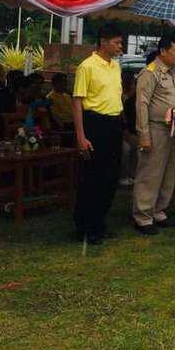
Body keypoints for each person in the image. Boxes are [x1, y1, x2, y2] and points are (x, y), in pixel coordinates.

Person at [72, 24, 124, 245]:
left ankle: (99, 223)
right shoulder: (87, 66)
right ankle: (85, 227)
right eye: (117, 42)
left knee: (110, 177)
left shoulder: (116, 66)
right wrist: (81, 136)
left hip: (114, 123)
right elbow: (77, 102)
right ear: (103, 42)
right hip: (95, 123)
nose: (120, 46)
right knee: (92, 177)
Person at [133, 34, 175, 234]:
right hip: (156, 129)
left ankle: (158, 211)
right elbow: (141, 105)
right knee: (150, 173)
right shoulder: (150, 72)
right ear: (163, 51)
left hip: (173, 129)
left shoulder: (174, 72)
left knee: (168, 173)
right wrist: (144, 134)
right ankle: (143, 216)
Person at [120, 70, 138, 187]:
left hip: (134, 132)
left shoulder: (135, 99)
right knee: (126, 149)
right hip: (125, 133)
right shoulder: (127, 100)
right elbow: (124, 120)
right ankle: (124, 176)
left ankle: (133, 175)